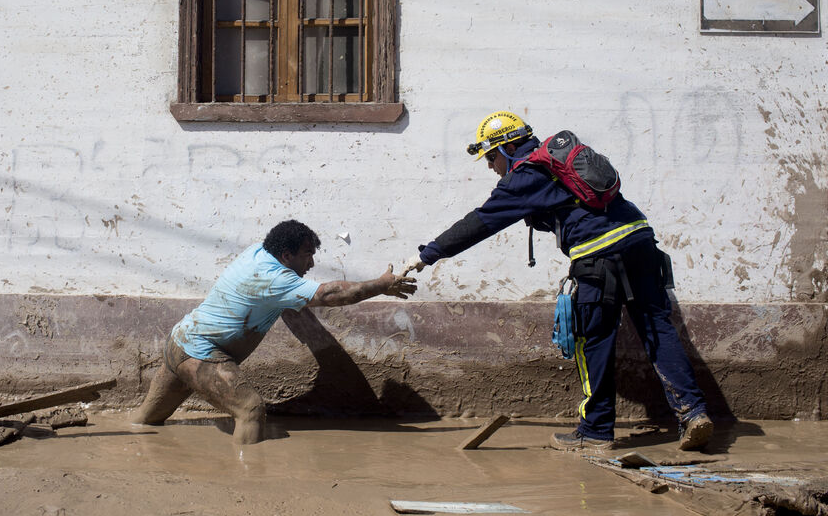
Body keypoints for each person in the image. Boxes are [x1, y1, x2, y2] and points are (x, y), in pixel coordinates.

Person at [406, 111, 712, 452]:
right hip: (640, 240)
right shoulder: (561, 161)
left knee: (592, 341)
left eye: (491, 157)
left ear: (508, 148)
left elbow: (480, 223)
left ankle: (595, 432)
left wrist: (427, 255)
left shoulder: (525, 177)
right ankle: (694, 413)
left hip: (598, 256)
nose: (491, 167)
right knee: (659, 331)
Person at [132, 219, 418, 444]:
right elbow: (330, 296)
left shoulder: (257, 252)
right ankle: (248, 482)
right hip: (201, 354)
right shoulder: (275, 280)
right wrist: (381, 285)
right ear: (286, 254)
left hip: (179, 342)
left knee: (145, 422)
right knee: (251, 410)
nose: (312, 263)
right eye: (307, 255)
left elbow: (288, 299)